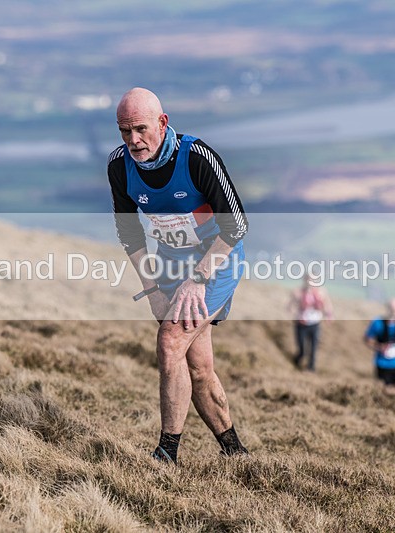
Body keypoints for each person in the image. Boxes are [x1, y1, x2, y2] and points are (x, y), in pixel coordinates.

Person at [108, 87, 249, 464]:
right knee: (199, 368)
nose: (133, 140)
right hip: (170, 266)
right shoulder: (119, 166)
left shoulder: (197, 157)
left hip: (216, 264)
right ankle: (236, 453)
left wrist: (198, 279)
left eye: (140, 128)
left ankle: (166, 454)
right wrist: (152, 287)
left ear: (162, 122)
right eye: (124, 131)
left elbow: (236, 226)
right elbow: (130, 234)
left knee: (170, 341)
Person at [363, 298, 395, 395]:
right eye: (393, 311)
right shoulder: (377, 323)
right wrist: (379, 347)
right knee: (384, 391)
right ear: (388, 309)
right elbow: (367, 339)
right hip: (383, 364)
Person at [289, 273, 334, 371]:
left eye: (313, 280)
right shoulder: (298, 292)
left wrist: (329, 316)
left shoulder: (321, 292)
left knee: (313, 349)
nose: (311, 282)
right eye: (309, 279)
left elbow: (327, 305)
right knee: (302, 350)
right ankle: (297, 360)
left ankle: (311, 369)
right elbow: (290, 306)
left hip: (315, 324)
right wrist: (296, 315)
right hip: (301, 324)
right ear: (305, 280)